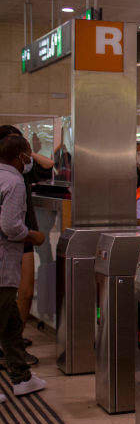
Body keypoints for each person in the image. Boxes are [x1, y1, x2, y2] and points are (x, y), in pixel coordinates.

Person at [0, 134, 47, 402]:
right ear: (20, 156)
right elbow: (10, 227)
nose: (30, 159)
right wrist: (34, 236)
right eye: (27, 154)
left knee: (10, 322)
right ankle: (21, 377)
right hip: (3, 261)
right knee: (4, 317)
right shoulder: (14, 182)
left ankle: (22, 378)